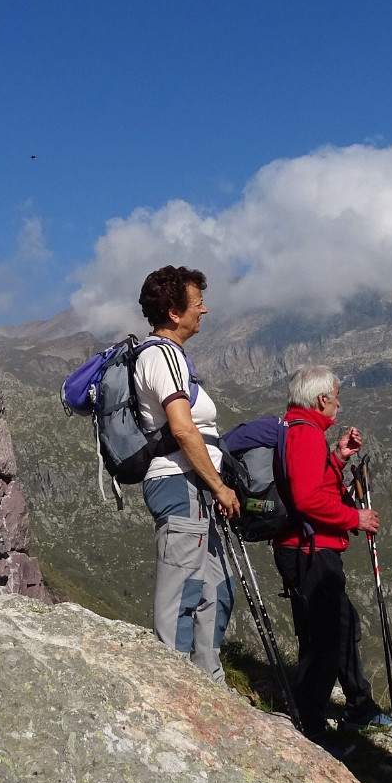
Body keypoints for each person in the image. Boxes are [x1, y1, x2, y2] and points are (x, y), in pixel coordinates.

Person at [272, 366, 392, 752]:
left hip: (305, 548)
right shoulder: (305, 434)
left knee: (339, 626)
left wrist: (339, 457)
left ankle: (356, 706)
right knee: (322, 641)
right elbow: (307, 499)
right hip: (311, 551)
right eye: (337, 396)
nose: (339, 402)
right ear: (323, 399)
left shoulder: (299, 430)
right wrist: (354, 517)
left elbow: (313, 482)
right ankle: (312, 730)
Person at [134, 266, 240, 682]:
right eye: (197, 304)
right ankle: (174, 688)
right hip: (181, 484)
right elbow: (181, 426)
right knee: (181, 593)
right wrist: (218, 485)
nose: (204, 310)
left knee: (218, 587)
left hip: (196, 487)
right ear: (175, 312)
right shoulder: (161, 355)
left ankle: (208, 683)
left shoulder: (172, 356)